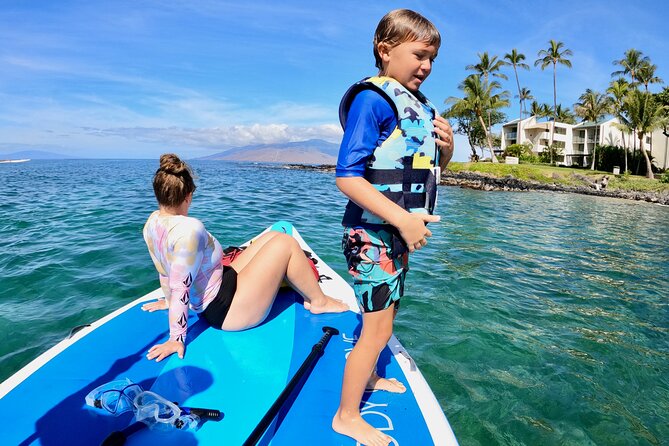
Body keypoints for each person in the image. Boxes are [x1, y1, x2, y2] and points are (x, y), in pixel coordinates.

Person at [331, 9, 454, 446]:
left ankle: (366, 380)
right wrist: (401, 219)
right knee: (378, 328)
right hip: (371, 235)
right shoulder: (373, 100)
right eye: (419, 55)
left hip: (397, 234)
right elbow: (347, 175)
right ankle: (346, 416)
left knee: (387, 315)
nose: (427, 66)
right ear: (385, 50)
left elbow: (424, 171)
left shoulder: (419, 108)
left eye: (433, 58)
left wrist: (449, 149)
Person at [141, 154, 348, 362]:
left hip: (222, 286)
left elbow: (164, 268)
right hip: (226, 311)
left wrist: (168, 301)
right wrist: (176, 338)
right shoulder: (190, 229)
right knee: (287, 244)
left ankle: (310, 290)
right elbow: (180, 286)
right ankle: (319, 301)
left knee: (274, 236)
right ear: (188, 195)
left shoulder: (152, 223)